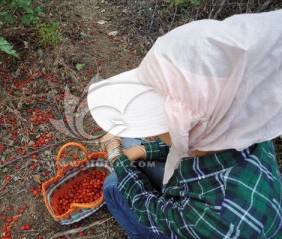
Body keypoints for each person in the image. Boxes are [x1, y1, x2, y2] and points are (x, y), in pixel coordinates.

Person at [87, 9, 282, 239]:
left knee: (113, 186)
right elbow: (191, 147)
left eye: (162, 117)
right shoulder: (240, 125)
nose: (156, 128)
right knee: (132, 142)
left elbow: (148, 207)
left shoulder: (214, 216)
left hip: (209, 222)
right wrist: (141, 150)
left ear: (196, 126)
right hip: (216, 199)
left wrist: (115, 154)